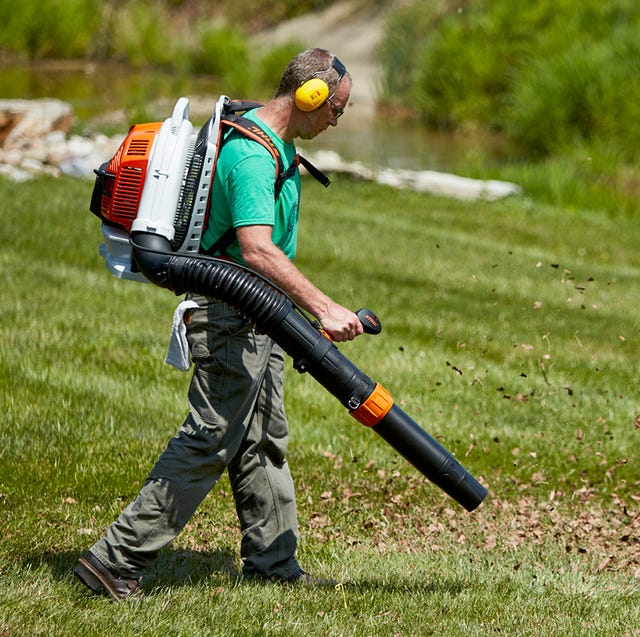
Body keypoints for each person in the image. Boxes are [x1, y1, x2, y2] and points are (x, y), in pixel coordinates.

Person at [74, 48, 363, 602]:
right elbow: (257, 251)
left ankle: (274, 564)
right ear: (311, 97)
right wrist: (324, 308)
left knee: (262, 440)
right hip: (233, 317)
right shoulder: (253, 158)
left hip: (259, 316)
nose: (336, 121)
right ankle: (116, 558)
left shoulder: (268, 140)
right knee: (210, 439)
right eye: (337, 111)